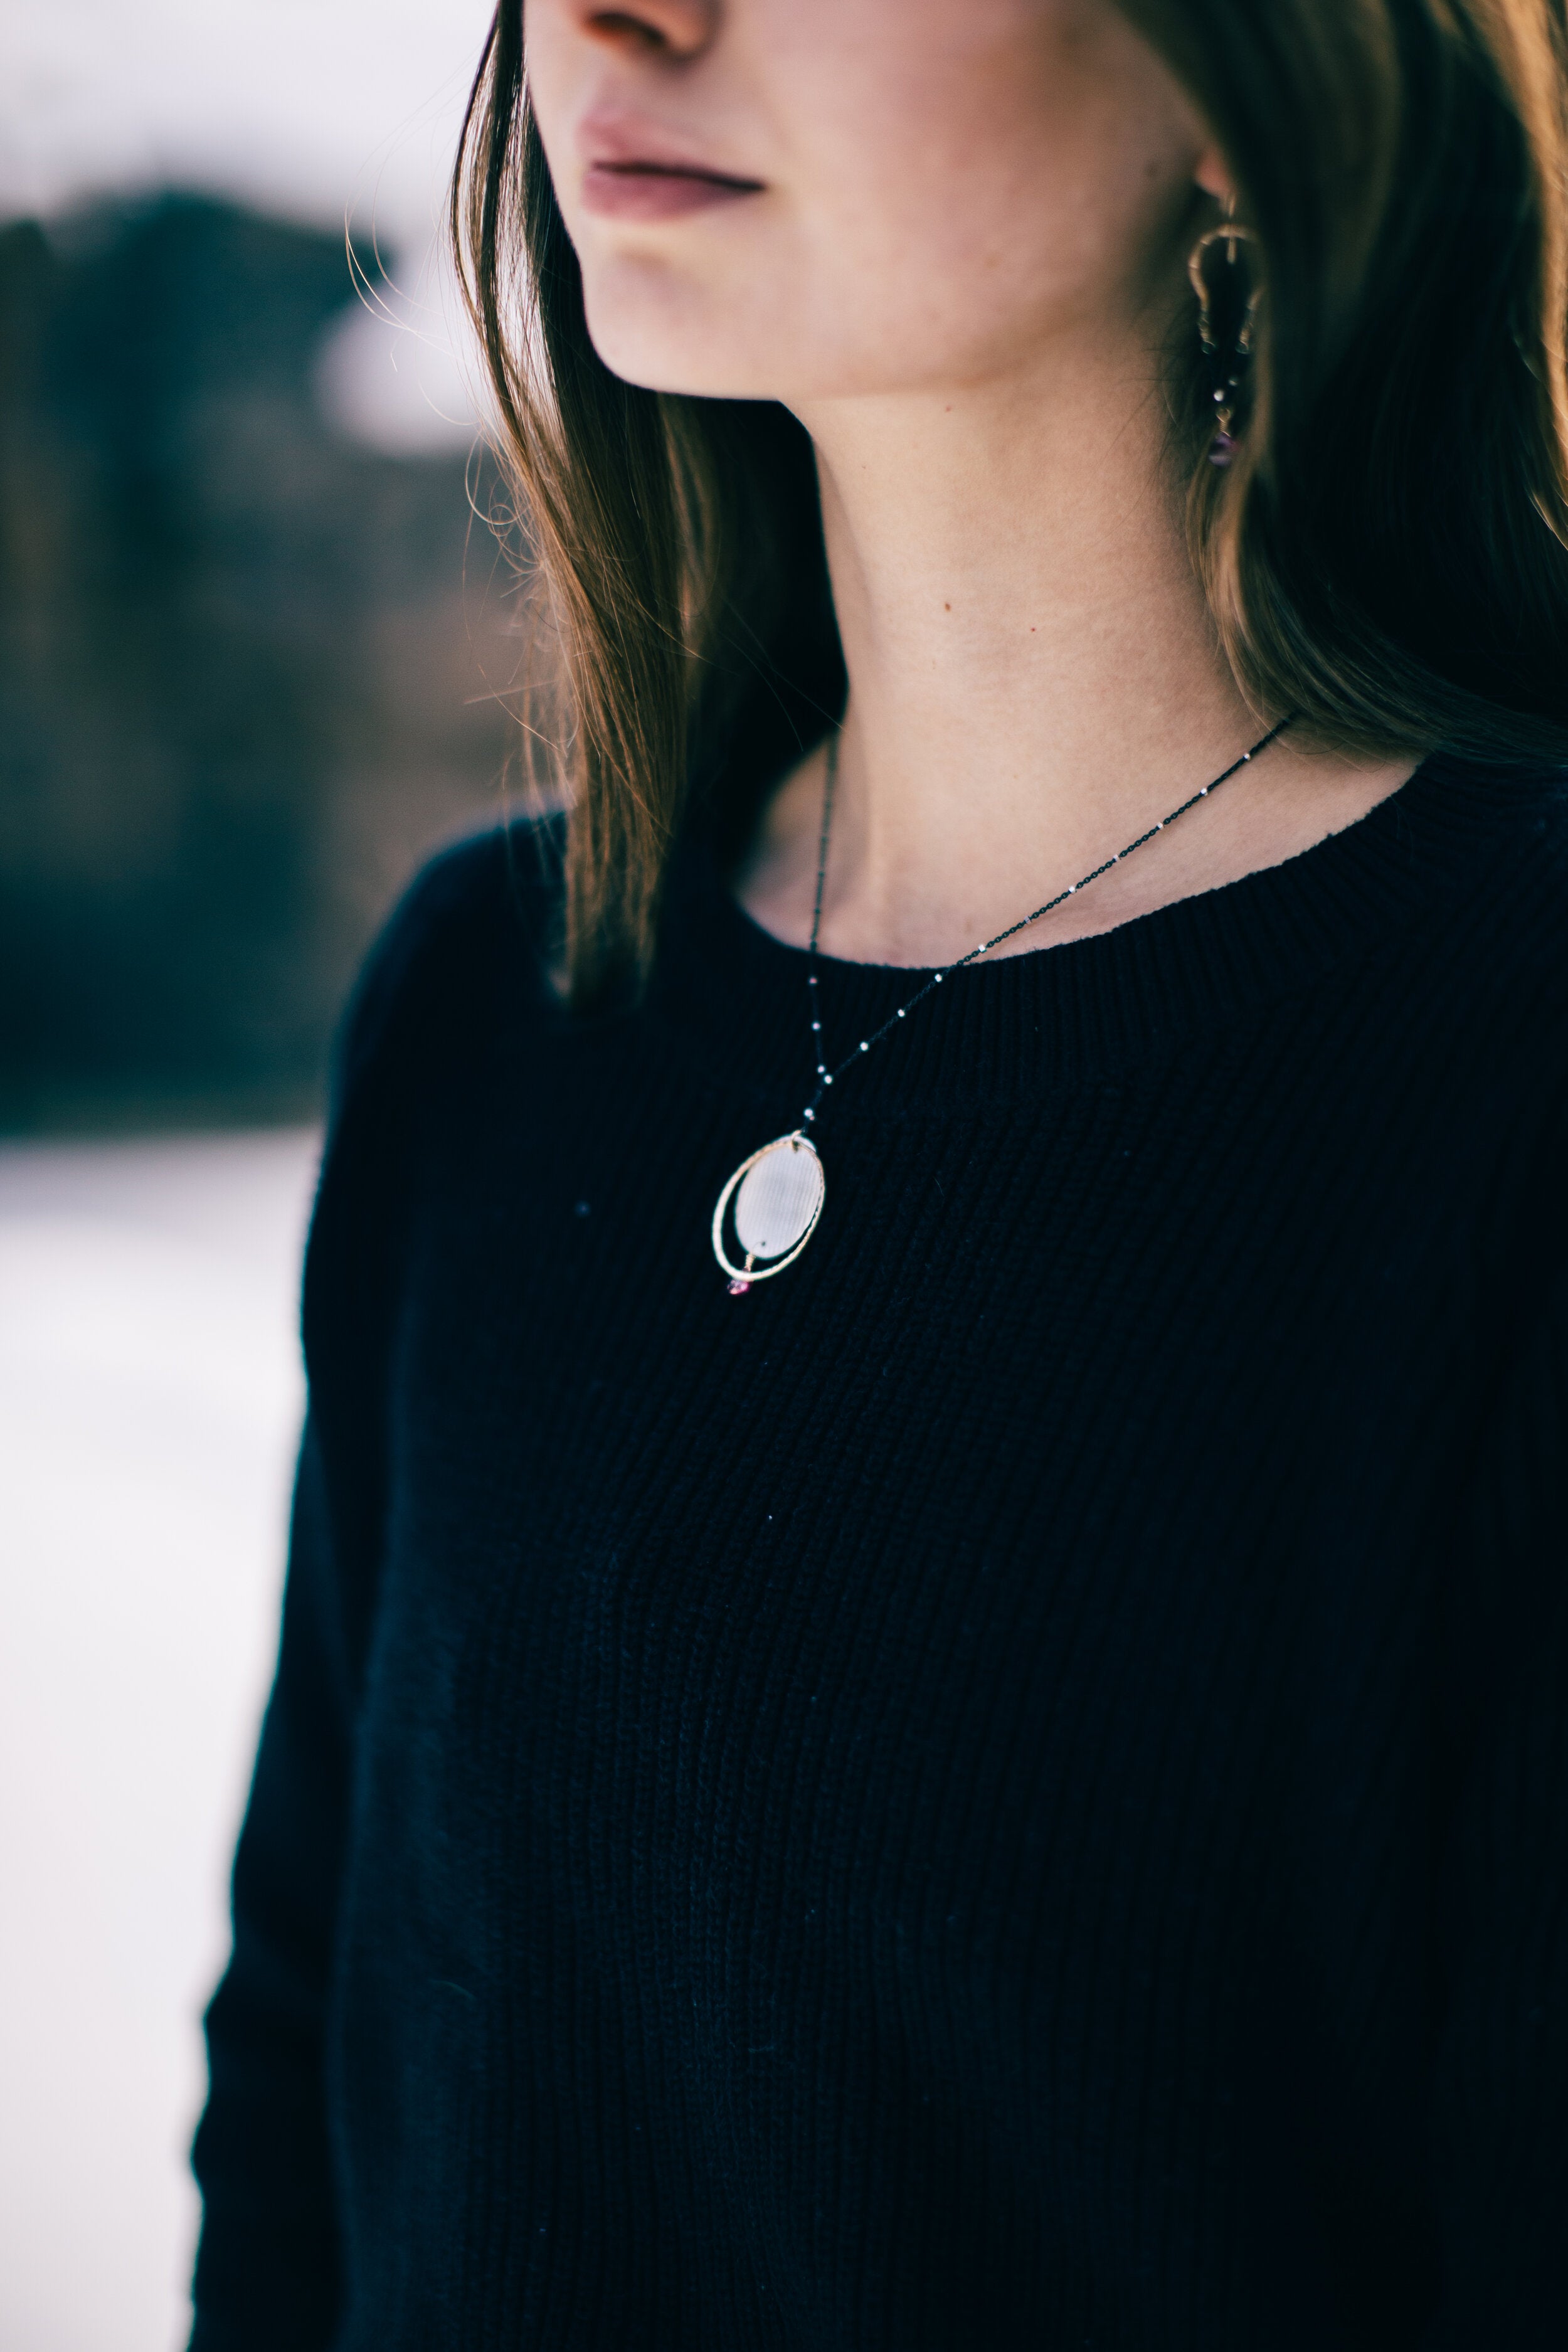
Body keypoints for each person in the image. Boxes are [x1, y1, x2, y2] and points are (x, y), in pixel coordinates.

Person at [189, 3, 1568, 2344]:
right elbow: (309, 2077)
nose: (617, 14)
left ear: (1260, 71)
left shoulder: (1508, 1080)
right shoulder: (494, 1000)